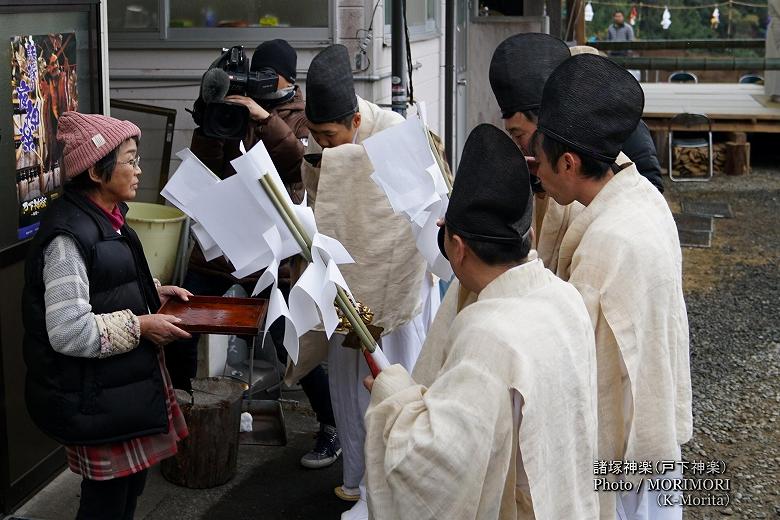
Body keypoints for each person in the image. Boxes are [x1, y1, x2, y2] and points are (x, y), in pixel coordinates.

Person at [363, 124, 598, 519]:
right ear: (530, 233)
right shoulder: (565, 297)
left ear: (456, 246)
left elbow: (437, 468)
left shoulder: (487, 333)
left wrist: (392, 394)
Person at [532, 54, 692, 519]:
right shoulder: (640, 195)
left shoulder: (609, 242)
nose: (536, 175)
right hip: (652, 426)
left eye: (539, 162)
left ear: (567, 161)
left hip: (625, 449)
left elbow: (577, 357)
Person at [180, 39, 341, 470]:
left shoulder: (304, 116)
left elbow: (297, 163)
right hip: (219, 246)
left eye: (274, 78)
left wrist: (264, 118)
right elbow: (206, 165)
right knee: (183, 325)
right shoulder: (234, 108)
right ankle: (176, 416)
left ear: (289, 79)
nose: (266, 85)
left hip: (274, 254)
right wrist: (212, 118)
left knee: (293, 343)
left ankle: (330, 426)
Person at [22, 112, 191, 520]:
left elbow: (105, 282)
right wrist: (142, 325)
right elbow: (69, 331)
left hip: (114, 391)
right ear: (97, 172)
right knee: (106, 505)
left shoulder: (107, 217)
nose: (138, 169)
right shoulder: (67, 237)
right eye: (130, 160)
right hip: (93, 396)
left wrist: (153, 290)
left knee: (128, 491)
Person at [296, 44, 428, 520]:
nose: (323, 147)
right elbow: (321, 208)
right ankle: (357, 480)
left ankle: (395, 488)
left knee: (395, 386)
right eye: (315, 138)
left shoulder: (395, 135)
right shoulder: (322, 145)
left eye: (330, 137)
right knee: (350, 392)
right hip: (344, 284)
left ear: (355, 120)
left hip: (395, 286)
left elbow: (411, 220)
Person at [488, 33, 663, 271]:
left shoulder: (608, 232)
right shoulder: (558, 170)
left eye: (520, 135)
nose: (519, 147)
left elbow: (571, 303)